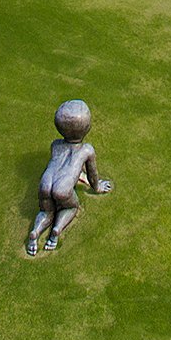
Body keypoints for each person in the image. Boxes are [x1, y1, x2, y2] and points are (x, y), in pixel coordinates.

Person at [26, 100, 112, 255]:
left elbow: (64, 167)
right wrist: (97, 186)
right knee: (71, 207)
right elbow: (92, 175)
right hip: (63, 189)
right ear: (87, 127)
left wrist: (80, 176)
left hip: (45, 183)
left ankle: (35, 232)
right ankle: (56, 232)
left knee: (46, 211)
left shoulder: (55, 145)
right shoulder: (87, 150)